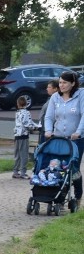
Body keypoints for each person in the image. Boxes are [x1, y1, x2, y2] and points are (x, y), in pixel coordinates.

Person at [44, 70, 84, 204]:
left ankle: (78, 194)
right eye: (60, 82)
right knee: (57, 166)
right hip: (59, 137)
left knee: (73, 168)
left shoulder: (81, 95)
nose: (61, 85)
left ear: (73, 83)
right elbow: (49, 116)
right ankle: (58, 196)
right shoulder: (55, 97)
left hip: (76, 139)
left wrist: (78, 132)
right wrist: (48, 130)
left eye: (65, 83)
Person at [12, 96, 38, 179]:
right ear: (26, 104)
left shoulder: (17, 113)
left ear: (18, 104)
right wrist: (35, 127)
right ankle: (23, 172)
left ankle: (15, 171)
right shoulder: (26, 113)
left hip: (17, 136)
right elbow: (27, 123)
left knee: (17, 154)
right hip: (24, 135)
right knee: (24, 154)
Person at [38, 80, 58, 145]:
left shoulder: (56, 100)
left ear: (55, 89)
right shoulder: (50, 99)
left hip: (50, 130)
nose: (47, 89)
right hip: (44, 129)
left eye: (49, 87)